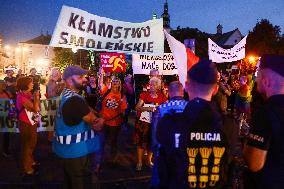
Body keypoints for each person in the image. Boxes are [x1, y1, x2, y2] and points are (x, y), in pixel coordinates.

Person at [157, 59, 228, 189]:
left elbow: (161, 162)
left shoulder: (169, 122)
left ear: (186, 86)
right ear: (216, 89)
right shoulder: (229, 125)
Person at [52, 65, 104, 189]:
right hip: (77, 152)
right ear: (69, 80)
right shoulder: (75, 100)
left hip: (65, 151)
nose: (84, 79)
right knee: (80, 183)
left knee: (69, 181)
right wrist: (102, 119)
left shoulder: (65, 95)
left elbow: (86, 109)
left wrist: (91, 112)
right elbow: (95, 123)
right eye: (80, 77)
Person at [243, 54, 284, 189]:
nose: (256, 82)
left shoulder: (265, 113)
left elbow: (254, 163)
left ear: (266, 81)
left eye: (258, 77)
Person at [151, 81, 188, 188]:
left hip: (164, 153)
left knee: (161, 182)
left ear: (170, 93)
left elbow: (155, 133)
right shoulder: (190, 106)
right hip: (185, 154)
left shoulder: (161, 109)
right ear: (182, 92)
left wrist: (155, 151)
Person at [135, 77, 167, 171]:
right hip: (143, 123)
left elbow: (166, 107)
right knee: (141, 143)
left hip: (155, 124)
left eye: (153, 84)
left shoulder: (162, 96)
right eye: (151, 84)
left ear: (157, 86)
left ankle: (149, 161)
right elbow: (137, 107)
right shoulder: (144, 95)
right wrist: (148, 108)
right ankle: (139, 162)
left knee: (152, 142)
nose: (151, 86)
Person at [98, 78, 127, 168]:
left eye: (117, 82)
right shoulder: (106, 91)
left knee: (113, 142)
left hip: (115, 123)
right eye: (113, 82)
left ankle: (112, 160)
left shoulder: (122, 96)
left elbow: (123, 110)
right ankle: (99, 161)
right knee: (101, 141)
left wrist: (122, 105)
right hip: (103, 121)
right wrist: (101, 74)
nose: (115, 83)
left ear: (119, 85)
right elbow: (100, 84)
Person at [16, 77, 40, 176]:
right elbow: (36, 109)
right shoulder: (22, 97)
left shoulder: (26, 94)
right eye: (31, 83)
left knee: (32, 143)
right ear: (25, 85)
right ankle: (27, 167)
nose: (32, 84)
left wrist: (34, 96)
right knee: (27, 145)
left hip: (31, 122)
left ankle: (31, 160)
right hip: (26, 124)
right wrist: (37, 97)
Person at [46, 67, 64, 143]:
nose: (59, 73)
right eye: (57, 72)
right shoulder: (51, 82)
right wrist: (60, 87)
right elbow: (51, 95)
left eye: (59, 72)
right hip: (53, 103)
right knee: (52, 121)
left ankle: (54, 137)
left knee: (57, 121)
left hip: (57, 103)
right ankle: (50, 139)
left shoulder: (59, 81)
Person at [0, 80, 12, 157]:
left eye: (4, 84)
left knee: (6, 134)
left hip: (6, 116)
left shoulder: (7, 93)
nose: (4, 86)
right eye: (2, 84)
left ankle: (5, 150)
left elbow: (11, 101)